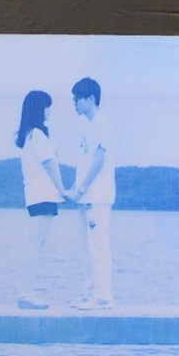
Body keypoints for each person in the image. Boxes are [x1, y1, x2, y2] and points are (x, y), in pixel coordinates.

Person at [63, 77, 118, 309]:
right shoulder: (88, 127)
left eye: (78, 99)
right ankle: (89, 294)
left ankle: (104, 297)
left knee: (98, 248)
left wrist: (82, 189)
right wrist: (75, 190)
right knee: (86, 249)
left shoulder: (103, 124)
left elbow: (98, 160)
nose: (74, 103)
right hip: (85, 198)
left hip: (98, 197)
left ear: (91, 99)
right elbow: (84, 163)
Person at [14, 92, 66, 309]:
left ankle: (27, 292)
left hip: (36, 195)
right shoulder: (37, 135)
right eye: (47, 106)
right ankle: (27, 293)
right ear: (38, 108)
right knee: (34, 245)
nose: (49, 110)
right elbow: (50, 166)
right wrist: (62, 190)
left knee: (34, 244)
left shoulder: (29, 135)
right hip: (43, 195)